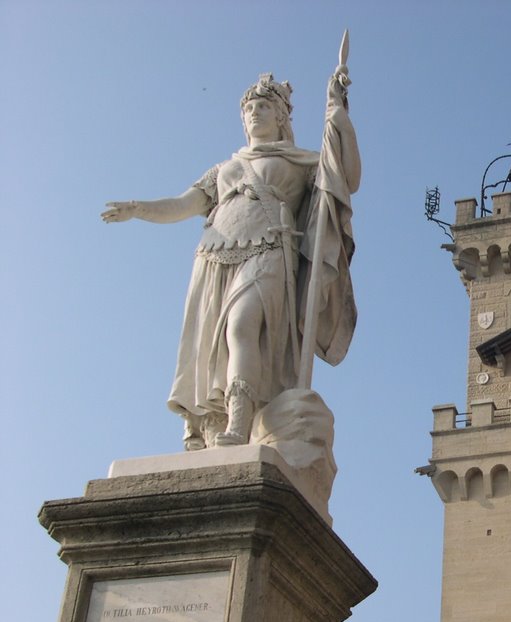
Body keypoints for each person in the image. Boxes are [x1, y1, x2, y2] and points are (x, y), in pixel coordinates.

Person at [102, 71, 359, 451]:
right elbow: (183, 205)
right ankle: (213, 422)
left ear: (281, 116)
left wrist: (339, 117)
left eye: (263, 107)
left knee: (241, 326)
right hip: (216, 254)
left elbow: (346, 176)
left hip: (271, 249)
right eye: (249, 109)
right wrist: (138, 208)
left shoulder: (303, 161)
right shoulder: (225, 169)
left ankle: (239, 420)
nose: (255, 114)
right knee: (215, 342)